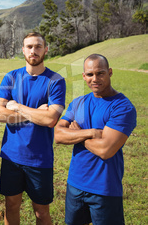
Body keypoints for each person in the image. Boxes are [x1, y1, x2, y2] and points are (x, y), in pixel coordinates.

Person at [54, 54, 137, 225]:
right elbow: (57, 135)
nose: (95, 79)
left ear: (110, 72)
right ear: (84, 76)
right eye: (90, 74)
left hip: (104, 188)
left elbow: (105, 150)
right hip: (75, 185)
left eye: (100, 73)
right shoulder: (78, 103)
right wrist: (90, 132)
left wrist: (77, 135)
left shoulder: (122, 107)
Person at [0, 32, 66, 225]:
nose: (33, 51)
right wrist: (37, 113)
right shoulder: (11, 77)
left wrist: (17, 106)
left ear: (46, 49)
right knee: (11, 206)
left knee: (41, 212)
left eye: (38, 46)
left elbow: (51, 119)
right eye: (29, 47)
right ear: (23, 50)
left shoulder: (56, 81)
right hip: (11, 155)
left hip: (39, 158)